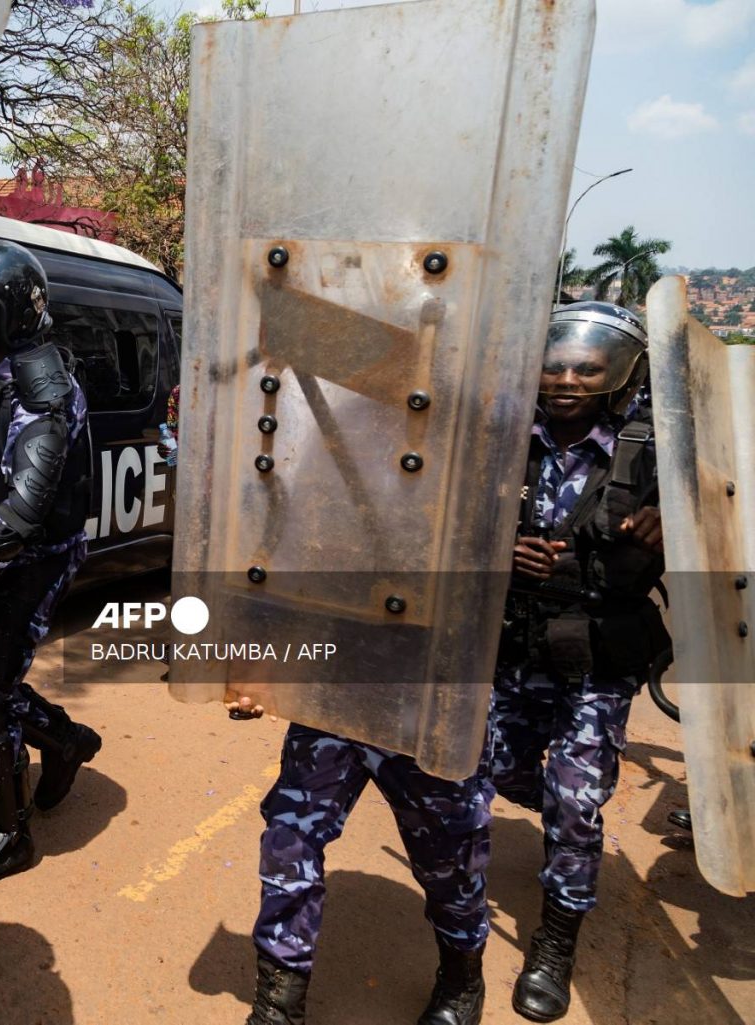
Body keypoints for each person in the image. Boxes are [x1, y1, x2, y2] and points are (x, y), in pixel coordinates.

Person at [492, 300, 667, 1023]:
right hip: (515, 644)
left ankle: (555, 940)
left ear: (616, 375)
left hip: (597, 653)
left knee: (574, 798)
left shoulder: (653, 453)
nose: (566, 378)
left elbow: (725, 528)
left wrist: (673, 527)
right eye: (555, 364)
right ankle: (566, 797)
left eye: (585, 367)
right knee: (490, 766)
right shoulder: (501, 443)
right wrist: (496, 551)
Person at [0, 239, 100, 888]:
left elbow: (22, 512)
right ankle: (64, 741)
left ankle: (9, 832)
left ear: (13, 312)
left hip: (35, 555)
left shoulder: (43, 388)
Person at [233, 705, 493, 1025]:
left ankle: (462, 980)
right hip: (332, 698)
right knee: (287, 845)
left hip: (430, 709)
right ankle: (277, 1012)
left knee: (448, 862)